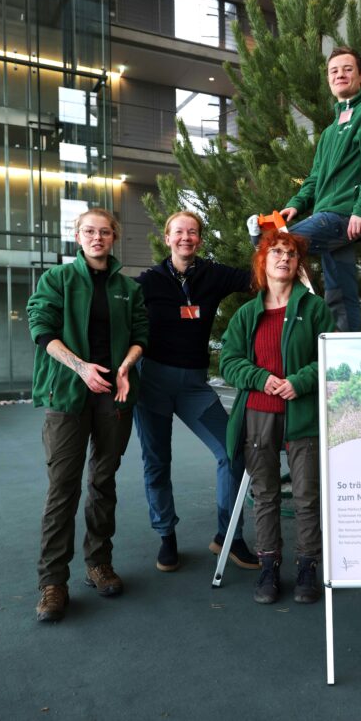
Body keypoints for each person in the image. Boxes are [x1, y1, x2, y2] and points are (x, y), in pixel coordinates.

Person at [27, 208, 148, 623]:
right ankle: (52, 582)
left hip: (114, 396)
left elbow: (140, 335)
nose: (97, 238)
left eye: (105, 232)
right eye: (89, 231)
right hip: (67, 394)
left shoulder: (127, 288)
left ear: (114, 237)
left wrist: (126, 368)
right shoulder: (57, 280)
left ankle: (98, 563)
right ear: (77, 236)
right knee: (62, 488)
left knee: (103, 480)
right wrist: (80, 368)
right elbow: (41, 329)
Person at [134, 210, 258, 572]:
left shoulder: (212, 275)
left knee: (232, 451)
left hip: (193, 385)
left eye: (192, 232)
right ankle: (166, 536)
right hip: (153, 383)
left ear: (199, 239)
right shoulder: (147, 282)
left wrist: (259, 239)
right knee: (157, 462)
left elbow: (259, 277)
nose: (185, 237)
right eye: (178, 232)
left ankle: (228, 536)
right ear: (167, 238)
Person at [220, 229, 335, 604]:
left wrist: (299, 381)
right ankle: (268, 566)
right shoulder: (246, 314)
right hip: (259, 415)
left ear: (298, 263)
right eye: (276, 252)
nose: (283, 258)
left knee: (306, 495)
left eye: (290, 253)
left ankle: (307, 567)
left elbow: (331, 358)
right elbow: (230, 361)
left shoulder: (315, 310)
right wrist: (261, 378)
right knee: (265, 494)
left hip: (304, 415)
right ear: (262, 262)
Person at [278, 46, 361, 331]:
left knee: (276, 247)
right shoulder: (330, 131)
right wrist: (296, 203)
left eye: (347, 69)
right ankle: (344, 353)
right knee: (340, 294)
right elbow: (316, 177)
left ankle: (291, 323)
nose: (340, 74)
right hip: (326, 215)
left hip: (342, 216)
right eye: (334, 71)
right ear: (329, 80)